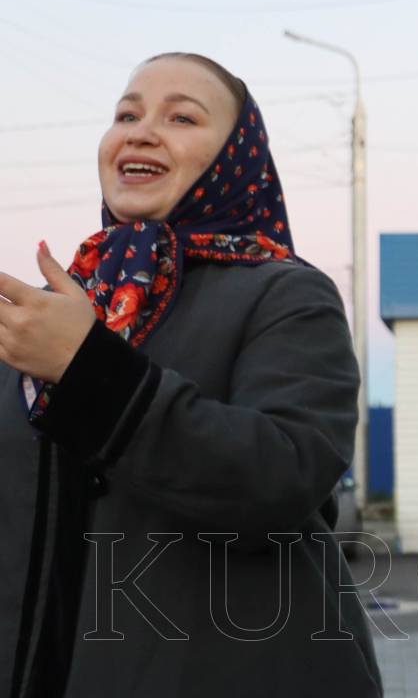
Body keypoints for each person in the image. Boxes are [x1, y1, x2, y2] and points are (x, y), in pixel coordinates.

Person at [0, 53, 381, 698]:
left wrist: (88, 369)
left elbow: (283, 479)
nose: (142, 132)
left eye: (181, 118)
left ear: (236, 157)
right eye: (127, 115)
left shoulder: (286, 294)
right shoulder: (44, 316)